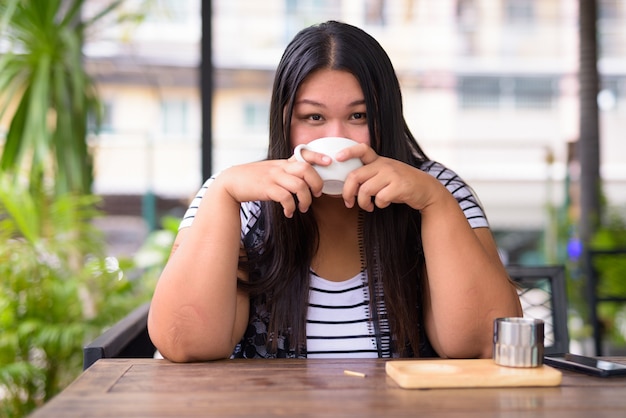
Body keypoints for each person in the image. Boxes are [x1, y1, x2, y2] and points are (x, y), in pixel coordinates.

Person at [148, 20, 522, 362]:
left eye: (359, 116)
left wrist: (436, 203)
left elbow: (481, 345)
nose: (337, 140)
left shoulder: (437, 191)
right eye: (313, 117)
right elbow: (185, 344)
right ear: (283, 120)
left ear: (386, 117)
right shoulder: (237, 197)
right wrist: (223, 193)